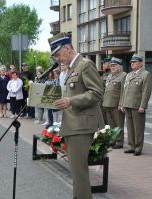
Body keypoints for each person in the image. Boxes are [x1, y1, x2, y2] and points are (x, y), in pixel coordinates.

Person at [51, 32, 104, 199]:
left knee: (79, 173)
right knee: (77, 172)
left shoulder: (85, 64)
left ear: (67, 48)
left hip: (81, 126)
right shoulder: (72, 68)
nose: (57, 59)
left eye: (58, 54)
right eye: (55, 56)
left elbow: (96, 93)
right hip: (73, 125)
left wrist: (70, 101)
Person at [120, 54, 152, 156]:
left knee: (138, 128)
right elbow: (125, 90)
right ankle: (131, 146)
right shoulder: (129, 75)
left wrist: (143, 105)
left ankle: (138, 147)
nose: (132, 64)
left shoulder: (145, 74)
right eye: (131, 62)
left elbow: (146, 91)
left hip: (137, 106)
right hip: (128, 105)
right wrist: (122, 103)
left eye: (134, 62)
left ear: (140, 63)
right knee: (129, 128)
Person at [102, 57, 127, 149]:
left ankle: (120, 142)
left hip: (116, 105)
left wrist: (121, 104)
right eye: (111, 66)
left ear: (119, 67)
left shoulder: (123, 75)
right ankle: (112, 140)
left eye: (114, 66)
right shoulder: (109, 76)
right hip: (107, 103)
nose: (112, 67)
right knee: (111, 124)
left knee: (118, 124)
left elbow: (124, 91)